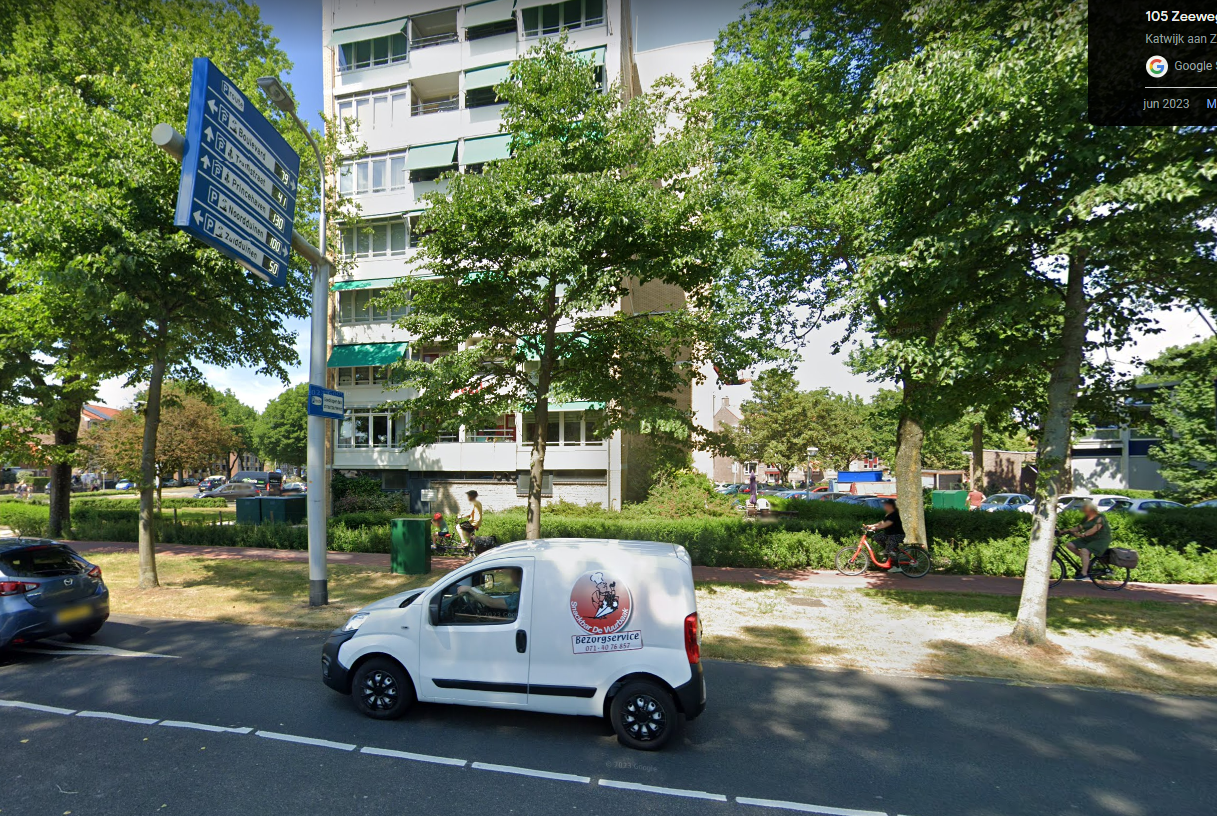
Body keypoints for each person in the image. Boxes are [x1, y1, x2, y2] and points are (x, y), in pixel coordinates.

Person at [1060, 500, 1111, 579]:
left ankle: (1084, 574)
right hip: (1088, 538)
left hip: (1101, 539)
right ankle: (1087, 560)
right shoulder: (1086, 518)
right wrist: (1064, 531)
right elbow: (1079, 528)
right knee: (1069, 545)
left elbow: (1094, 529)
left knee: (1084, 551)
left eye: (1085, 508)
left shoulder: (1100, 517)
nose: (1083, 510)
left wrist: (1083, 535)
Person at [864, 499, 906, 573]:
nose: (884, 506)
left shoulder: (894, 514)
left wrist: (876, 528)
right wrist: (871, 525)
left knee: (889, 549)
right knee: (877, 537)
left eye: (885, 505)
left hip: (897, 535)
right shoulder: (889, 514)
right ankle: (889, 552)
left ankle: (897, 567)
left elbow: (886, 524)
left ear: (890, 506)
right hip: (889, 534)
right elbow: (882, 522)